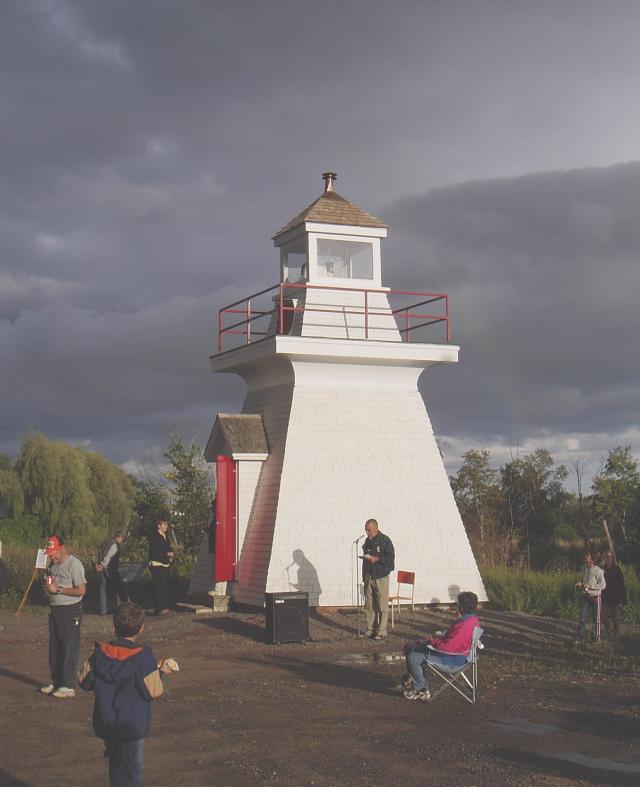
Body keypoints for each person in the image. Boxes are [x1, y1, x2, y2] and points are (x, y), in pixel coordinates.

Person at [78, 602, 174, 787]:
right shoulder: (142, 657)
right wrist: (162, 672)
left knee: (115, 766)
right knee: (130, 772)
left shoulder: (100, 653)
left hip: (106, 722)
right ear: (141, 628)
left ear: (114, 627)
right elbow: (153, 691)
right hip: (131, 725)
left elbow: (83, 681)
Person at [403, 591, 480, 701]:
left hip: (453, 660)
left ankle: (421, 689)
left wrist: (433, 642)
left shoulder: (463, 625)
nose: (456, 605)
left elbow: (448, 647)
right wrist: (438, 638)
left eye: (458, 603)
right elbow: (453, 640)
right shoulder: (473, 620)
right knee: (414, 647)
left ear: (462, 606)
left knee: (413, 656)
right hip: (463, 655)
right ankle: (415, 681)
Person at [40, 534, 87, 699]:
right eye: (49, 552)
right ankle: (57, 681)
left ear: (62, 549)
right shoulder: (52, 566)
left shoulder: (75, 565)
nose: (51, 555)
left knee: (69, 647)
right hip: (55, 610)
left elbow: (82, 590)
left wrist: (58, 590)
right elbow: (50, 588)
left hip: (70, 610)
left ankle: (68, 685)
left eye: (53, 552)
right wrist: (48, 587)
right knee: (54, 648)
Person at [361, 518, 395, 640]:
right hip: (369, 576)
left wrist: (378, 559)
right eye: (366, 530)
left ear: (376, 528)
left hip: (381, 577)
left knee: (382, 605)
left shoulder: (385, 541)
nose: (367, 532)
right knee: (370, 605)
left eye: (369, 530)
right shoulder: (367, 541)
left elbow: (391, 561)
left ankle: (382, 631)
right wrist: (364, 575)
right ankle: (371, 629)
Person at [575, 551, 606, 643]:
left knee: (596, 619)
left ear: (592, 559)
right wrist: (581, 584)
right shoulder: (583, 568)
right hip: (586, 597)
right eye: (585, 556)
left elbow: (603, 585)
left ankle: (596, 638)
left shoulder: (598, 570)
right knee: (582, 618)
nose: (584, 558)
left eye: (586, 556)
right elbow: (584, 580)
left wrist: (591, 587)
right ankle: (579, 638)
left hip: (596, 597)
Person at [96, 532, 129, 616]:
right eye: (122, 538)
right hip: (109, 569)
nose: (122, 540)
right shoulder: (114, 544)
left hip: (101, 568)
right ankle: (128, 606)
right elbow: (108, 556)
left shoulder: (107, 542)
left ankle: (103, 610)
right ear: (118, 537)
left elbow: (100, 553)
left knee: (102, 589)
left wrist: (98, 565)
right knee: (119, 587)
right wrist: (103, 565)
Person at [148, 520, 174, 616]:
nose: (166, 526)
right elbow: (154, 551)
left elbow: (168, 548)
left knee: (164, 586)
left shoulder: (165, 536)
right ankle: (158, 609)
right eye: (164, 524)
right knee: (158, 586)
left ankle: (164, 606)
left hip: (165, 564)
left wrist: (171, 555)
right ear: (159, 526)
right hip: (157, 564)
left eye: (166, 524)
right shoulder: (155, 537)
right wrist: (166, 554)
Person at [601, 551, 627, 641]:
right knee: (604, 617)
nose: (607, 558)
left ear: (612, 558)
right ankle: (608, 634)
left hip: (615, 598)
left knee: (615, 618)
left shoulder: (617, 569)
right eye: (606, 557)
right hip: (605, 597)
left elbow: (621, 584)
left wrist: (623, 599)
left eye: (609, 557)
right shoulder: (602, 569)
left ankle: (616, 635)